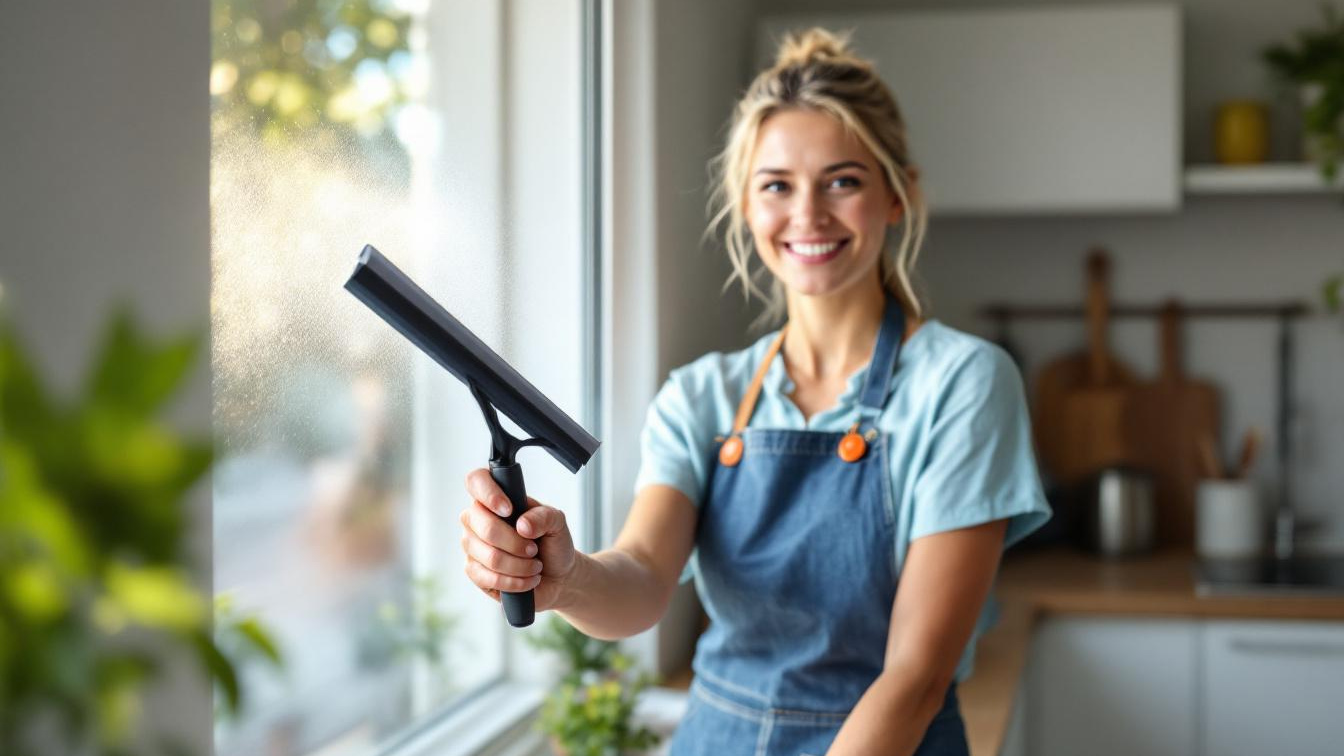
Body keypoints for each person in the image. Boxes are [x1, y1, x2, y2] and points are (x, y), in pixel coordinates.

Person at [459, 28, 1050, 756]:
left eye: (843, 180)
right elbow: (642, 577)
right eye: (777, 185)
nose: (808, 214)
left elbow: (917, 675)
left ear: (898, 197)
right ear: (747, 206)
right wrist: (567, 577)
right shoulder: (702, 395)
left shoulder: (963, 384)